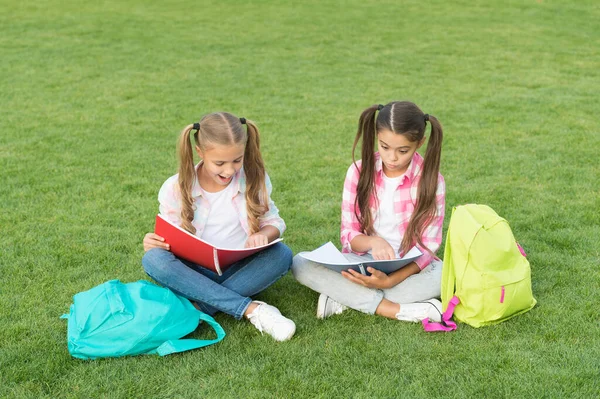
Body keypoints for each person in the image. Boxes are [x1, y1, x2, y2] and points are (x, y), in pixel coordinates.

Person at [142, 112, 295, 341]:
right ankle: (251, 309)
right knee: (153, 259)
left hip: (239, 266)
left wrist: (264, 234)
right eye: (220, 163)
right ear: (200, 152)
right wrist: (154, 242)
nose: (230, 171)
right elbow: (170, 235)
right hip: (195, 270)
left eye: (237, 160)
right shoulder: (174, 187)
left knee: (281, 255)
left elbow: (274, 221)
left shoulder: (255, 179)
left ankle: (197, 308)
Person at [292, 101, 445, 323]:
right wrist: (373, 242)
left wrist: (390, 281)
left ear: (419, 143)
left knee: (445, 274)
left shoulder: (432, 181)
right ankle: (395, 309)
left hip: (406, 268)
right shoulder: (358, 171)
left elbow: (428, 247)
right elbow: (349, 234)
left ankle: (342, 298)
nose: (392, 158)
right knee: (300, 264)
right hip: (362, 261)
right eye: (384, 147)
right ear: (376, 137)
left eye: (402, 151)